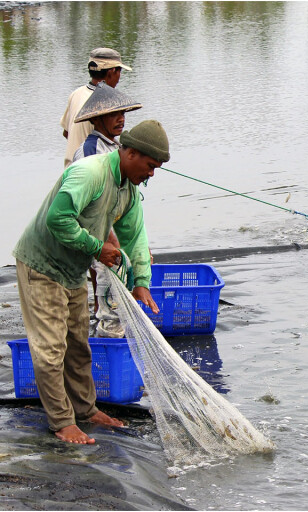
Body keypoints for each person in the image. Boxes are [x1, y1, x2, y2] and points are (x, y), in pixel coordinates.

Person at [13, 119, 170, 445]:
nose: (152, 174)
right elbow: (58, 219)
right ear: (129, 153)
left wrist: (141, 281)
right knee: (51, 349)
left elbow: (135, 237)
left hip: (71, 271)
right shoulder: (91, 173)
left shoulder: (127, 189)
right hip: (41, 265)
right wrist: (98, 248)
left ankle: (85, 410)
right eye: (150, 166)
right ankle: (62, 421)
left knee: (78, 347)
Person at [72, 82, 143, 337]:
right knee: (108, 292)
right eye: (115, 114)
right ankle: (108, 337)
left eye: (123, 114)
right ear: (98, 118)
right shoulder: (91, 151)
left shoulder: (116, 146)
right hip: (97, 234)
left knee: (122, 289)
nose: (121, 119)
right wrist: (112, 242)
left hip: (112, 230)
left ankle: (116, 332)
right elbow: (93, 207)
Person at [60, 47, 132, 169]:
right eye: (119, 71)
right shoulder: (104, 102)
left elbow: (67, 133)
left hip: (70, 170)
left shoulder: (76, 94)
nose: (119, 77)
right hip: (91, 170)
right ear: (112, 72)